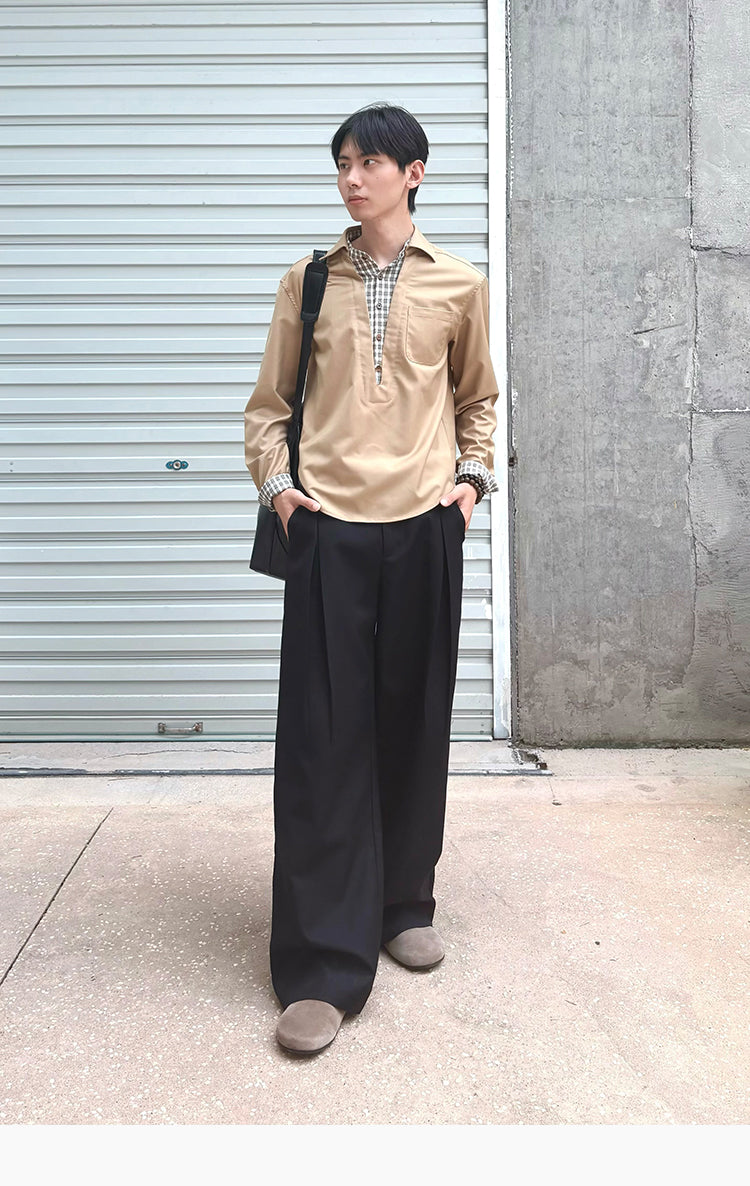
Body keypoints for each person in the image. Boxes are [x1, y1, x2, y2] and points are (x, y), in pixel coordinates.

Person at [243, 103, 499, 1055]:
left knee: (413, 721)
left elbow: (479, 401)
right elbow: (268, 409)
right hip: (329, 532)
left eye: (370, 163)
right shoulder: (309, 281)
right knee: (323, 742)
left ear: (414, 173)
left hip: (425, 528)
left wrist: (470, 488)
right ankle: (322, 964)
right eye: (343, 164)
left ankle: (402, 903)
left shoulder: (459, 284)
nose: (352, 178)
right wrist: (281, 493)